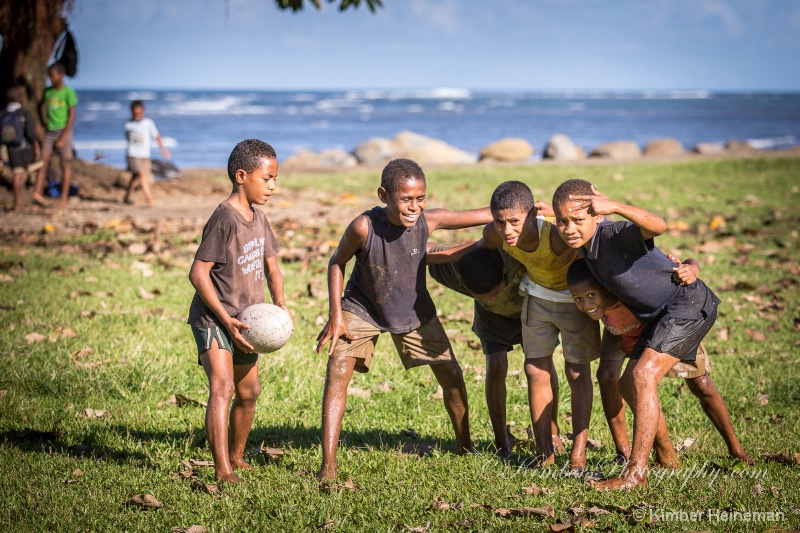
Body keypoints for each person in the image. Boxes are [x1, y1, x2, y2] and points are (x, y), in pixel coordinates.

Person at [552, 178, 740, 490]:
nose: (569, 228)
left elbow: (659, 225)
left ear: (597, 215)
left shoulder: (613, 233)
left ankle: (636, 472)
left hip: (687, 304)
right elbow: (551, 216)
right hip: (657, 318)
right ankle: (667, 458)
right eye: (562, 222)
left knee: (644, 375)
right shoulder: (584, 248)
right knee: (627, 384)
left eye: (577, 220)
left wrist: (615, 206)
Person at [315, 158, 492, 481]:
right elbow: (336, 263)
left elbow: (485, 214)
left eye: (420, 198)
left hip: (413, 310)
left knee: (451, 374)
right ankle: (328, 465)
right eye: (406, 199)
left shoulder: (429, 220)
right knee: (338, 371)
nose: (414, 207)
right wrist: (336, 316)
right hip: (362, 307)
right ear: (384, 195)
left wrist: (527, 209)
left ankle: (466, 446)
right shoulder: (363, 227)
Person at [428, 181, 600, 475]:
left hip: (551, 301)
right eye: (500, 223)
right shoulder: (488, 243)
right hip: (516, 308)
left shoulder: (543, 238)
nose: (507, 230)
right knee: (516, 367)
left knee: (561, 370)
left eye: (514, 222)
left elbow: (587, 237)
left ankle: (566, 444)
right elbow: (455, 252)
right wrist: (413, 254)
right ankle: (522, 445)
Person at [567, 257, 753, 471]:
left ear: (607, 287)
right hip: (626, 334)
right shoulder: (597, 291)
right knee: (619, 381)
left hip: (666, 330)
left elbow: (679, 263)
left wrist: (691, 267)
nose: (587, 304)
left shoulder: (629, 283)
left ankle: (736, 449)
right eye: (579, 299)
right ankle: (647, 454)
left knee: (701, 383)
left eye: (591, 295)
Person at [187, 139, 293, 484]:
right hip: (214, 317)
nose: (273, 187)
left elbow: (273, 268)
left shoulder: (259, 219)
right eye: (267, 179)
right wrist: (224, 319)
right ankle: (222, 468)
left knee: (250, 392)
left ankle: (237, 456)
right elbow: (198, 273)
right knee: (223, 387)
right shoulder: (224, 219)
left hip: (246, 321)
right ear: (241, 175)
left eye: (275, 179)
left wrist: (279, 303)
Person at [427, 244, 564, 458]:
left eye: (493, 294)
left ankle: (552, 434)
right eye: (483, 296)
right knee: (497, 364)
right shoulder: (450, 271)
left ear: (504, 273)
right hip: (491, 317)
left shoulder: (518, 258)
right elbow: (423, 252)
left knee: (541, 366)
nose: (491, 299)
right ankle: (502, 441)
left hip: (531, 304)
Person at [32, 62, 78, 209]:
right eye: (49, 76)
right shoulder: (48, 92)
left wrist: (63, 137)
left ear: (61, 75)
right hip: (49, 131)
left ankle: (63, 199)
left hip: (63, 131)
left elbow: (72, 116)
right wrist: (43, 122)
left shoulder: (68, 92)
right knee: (42, 162)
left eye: (52, 75)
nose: (50, 78)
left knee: (65, 163)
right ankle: (37, 194)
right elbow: (40, 106)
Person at [123, 100, 171, 206]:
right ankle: (149, 198)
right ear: (131, 112)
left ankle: (127, 196)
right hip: (132, 154)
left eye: (139, 113)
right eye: (135, 113)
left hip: (145, 154)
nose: (137, 116)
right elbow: (127, 139)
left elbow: (157, 136)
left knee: (136, 176)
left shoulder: (148, 123)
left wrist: (163, 150)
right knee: (142, 174)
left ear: (143, 111)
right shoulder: (128, 124)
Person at [1, 86, 41, 211]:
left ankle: (17, 203)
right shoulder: (24, 113)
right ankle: (35, 195)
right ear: (20, 99)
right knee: (39, 166)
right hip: (25, 150)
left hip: (10, 150)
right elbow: (31, 134)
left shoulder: (3, 114)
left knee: (17, 174)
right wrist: (36, 147)